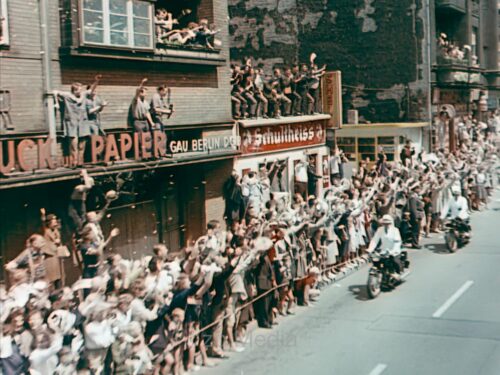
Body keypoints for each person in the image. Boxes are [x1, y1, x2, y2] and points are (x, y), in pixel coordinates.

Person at [367, 215, 403, 279]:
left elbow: (397, 242)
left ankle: (393, 272)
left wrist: (393, 251)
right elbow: (375, 240)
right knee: (377, 261)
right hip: (383, 250)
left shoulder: (395, 230)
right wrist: (370, 249)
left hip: (393, 251)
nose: (386, 225)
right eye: (385, 223)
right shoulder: (380, 230)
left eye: (388, 223)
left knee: (392, 260)